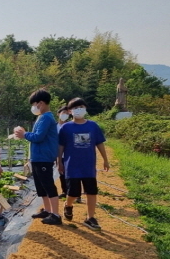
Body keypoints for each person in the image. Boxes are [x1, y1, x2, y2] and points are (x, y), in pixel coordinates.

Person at [58, 97, 110, 230]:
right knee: (73, 193)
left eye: (81, 107)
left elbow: (99, 143)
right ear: (70, 111)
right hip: (72, 166)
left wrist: (105, 159)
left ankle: (90, 217)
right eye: (75, 108)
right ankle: (68, 205)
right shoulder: (66, 128)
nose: (78, 109)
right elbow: (61, 146)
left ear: (86, 109)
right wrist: (59, 162)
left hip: (88, 165)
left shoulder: (93, 126)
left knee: (91, 191)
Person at [14, 89, 62, 225]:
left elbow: (39, 137)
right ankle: (47, 210)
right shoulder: (42, 117)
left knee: (48, 185)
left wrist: (24, 134)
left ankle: (55, 215)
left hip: (43, 157)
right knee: (40, 186)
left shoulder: (47, 117)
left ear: (40, 103)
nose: (33, 108)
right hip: (37, 157)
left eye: (34, 104)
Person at [56, 106, 70, 199]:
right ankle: (65, 191)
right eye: (63, 113)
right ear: (58, 114)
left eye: (67, 114)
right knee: (61, 172)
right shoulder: (54, 127)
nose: (65, 115)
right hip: (57, 153)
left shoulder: (69, 126)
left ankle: (73, 193)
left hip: (68, 153)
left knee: (70, 173)